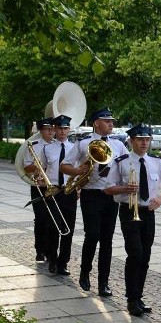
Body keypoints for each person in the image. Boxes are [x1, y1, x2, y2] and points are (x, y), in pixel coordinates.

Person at [60, 108, 128, 296]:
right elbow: (64, 166)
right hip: (91, 195)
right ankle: (84, 272)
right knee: (92, 235)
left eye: (112, 121)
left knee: (107, 240)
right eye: (107, 121)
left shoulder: (119, 145)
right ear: (96, 122)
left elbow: (126, 167)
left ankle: (103, 282)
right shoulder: (83, 143)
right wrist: (79, 171)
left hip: (111, 196)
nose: (111, 124)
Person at [104, 124, 161, 316]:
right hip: (129, 210)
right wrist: (124, 189)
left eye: (147, 139)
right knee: (135, 253)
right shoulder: (121, 161)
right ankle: (131, 299)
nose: (144, 143)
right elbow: (108, 188)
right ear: (131, 141)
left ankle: (139, 296)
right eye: (140, 139)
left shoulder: (156, 162)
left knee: (146, 256)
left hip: (148, 212)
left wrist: (160, 199)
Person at [39, 115, 76, 275]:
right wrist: (40, 179)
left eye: (65, 128)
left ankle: (63, 262)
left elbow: (77, 170)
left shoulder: (75, 148)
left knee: (69, 227)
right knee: (53, 227)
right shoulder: (47, 149)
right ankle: (52, 259)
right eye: (59, 128)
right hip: (53, 190)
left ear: (69, 130)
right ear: (54, 129)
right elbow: (43, 169)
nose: (62, 131)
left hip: (69, 191)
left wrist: (78, 188)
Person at [23, 117, 55, 264]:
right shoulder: (33, 145)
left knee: (52, 219)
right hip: (39, 186)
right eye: (48, 129)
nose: (51, 132)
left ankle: (51, 251)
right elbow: (26, 167)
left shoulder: (57, 146)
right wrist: (38, 166)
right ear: (41, 130)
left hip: (53, 186)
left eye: (52, 129)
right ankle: (40, 251)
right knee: (41, 219)